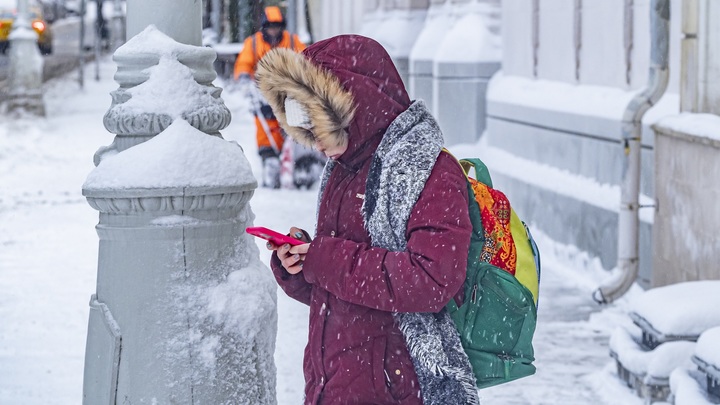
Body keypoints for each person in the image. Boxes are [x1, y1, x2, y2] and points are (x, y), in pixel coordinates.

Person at [256, 35, 481, 405]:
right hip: (336, 385)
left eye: (317, 126)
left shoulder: (429, 171)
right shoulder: (343, 169)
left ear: (352, 105)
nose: (313, 143)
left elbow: (431, 279)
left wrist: (324, 258)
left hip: (397, 389)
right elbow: (342, 287)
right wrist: (300, 264)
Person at [233, 6, 306, 188]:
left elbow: (305, 58)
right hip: (262, 92)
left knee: (292, 124)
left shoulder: (291, 40)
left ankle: (299, 161)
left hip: (288, 92)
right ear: (264, 27)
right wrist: (243, 77)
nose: (274, 30)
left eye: (277, 26)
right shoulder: (254, 43)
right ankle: (269, 158)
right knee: (266, 126)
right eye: (271, 26)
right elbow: (244, 63)